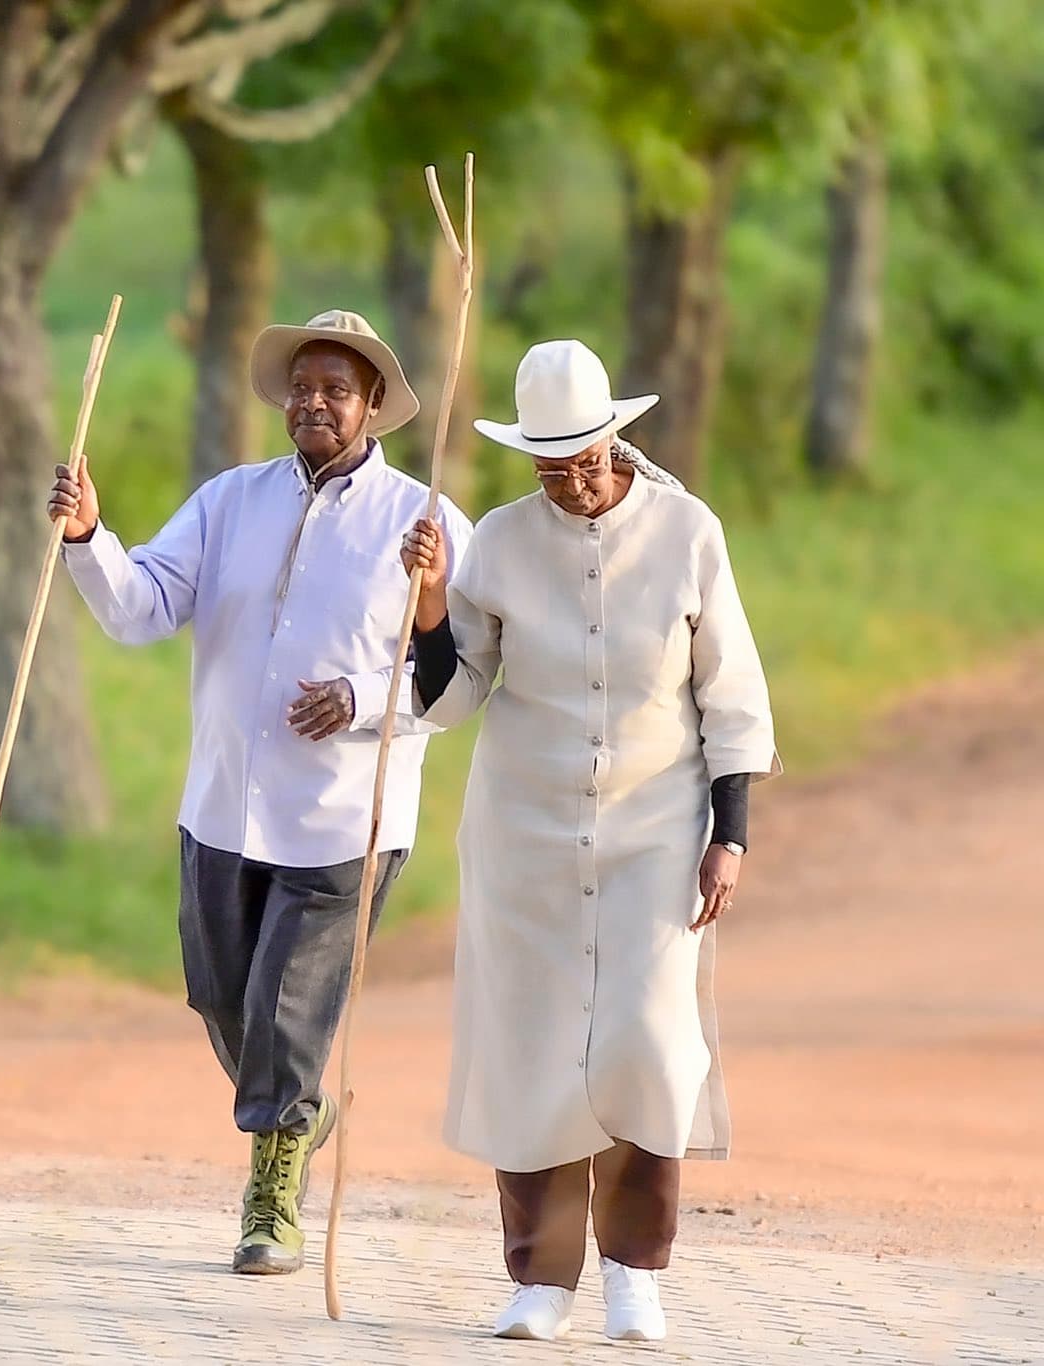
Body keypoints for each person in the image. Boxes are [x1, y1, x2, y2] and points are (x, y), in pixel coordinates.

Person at [47, 309, 473, 1275]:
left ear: (372, 407)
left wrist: (364, 697)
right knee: (220, 996)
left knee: (284, 1012)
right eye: (303, 384)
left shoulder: (427, 522)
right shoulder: (229, 501)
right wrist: (87, 536)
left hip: (340, 821)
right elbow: (139, 607)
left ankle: (271, 1195)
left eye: (338, 388)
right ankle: (298, 1105)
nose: (315, 401)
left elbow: (462, 680)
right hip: (222, 806)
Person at [399, 339, 779, 1342]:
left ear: (616, 438)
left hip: (656, 831)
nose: (568, 479)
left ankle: (632, 1273)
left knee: (645, 1044)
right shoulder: (496, 542)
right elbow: (449, 698)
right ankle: (539, 1279)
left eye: (583, 457)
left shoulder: (687, 531)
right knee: (530, 1050)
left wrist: (726, 836)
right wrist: (431, 607)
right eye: (546, 463)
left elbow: (730, 696)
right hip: (522, 833)